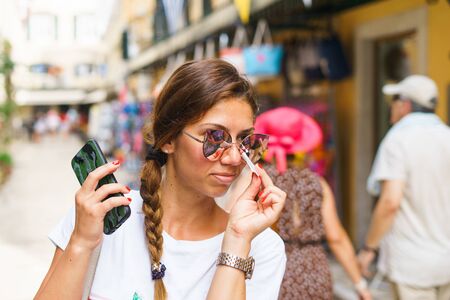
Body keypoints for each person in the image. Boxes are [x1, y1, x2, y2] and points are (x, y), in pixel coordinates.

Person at [35, 59, 287, 300]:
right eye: (214, 138)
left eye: (245, 141)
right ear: (168, 140)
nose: (234, 158)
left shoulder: (260, 246)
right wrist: (81, 242)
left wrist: (237, 240)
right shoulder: (100, 216)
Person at [221, 107, 371, 299]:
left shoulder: (255, 181)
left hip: (268, 268)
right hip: (313, 272)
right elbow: (336, 237)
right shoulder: (317, 183)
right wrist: (360, 285)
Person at [358, 75, 450, 300]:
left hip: (412, 264)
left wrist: (369, 249)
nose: (391, 106)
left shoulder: (398, 139)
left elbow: (390, 202)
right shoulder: (447, 135)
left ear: (405, 105)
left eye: (394, 100)